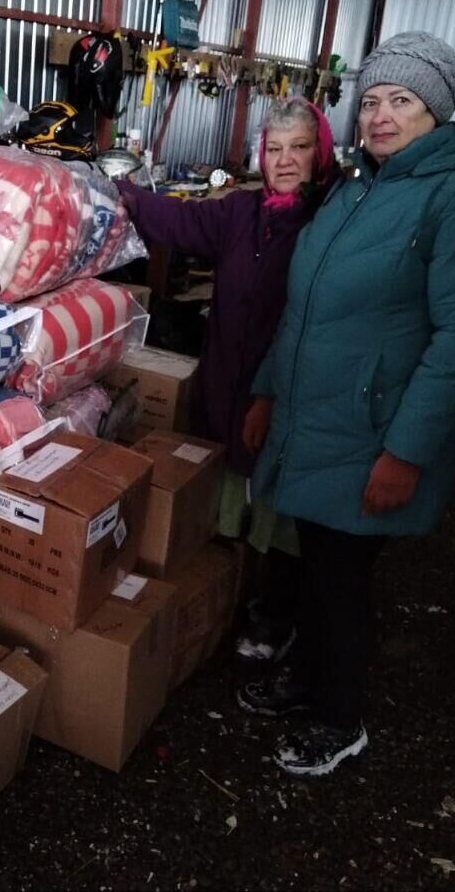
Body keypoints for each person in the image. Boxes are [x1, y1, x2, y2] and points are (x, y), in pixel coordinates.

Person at [239, 31, 455, 776]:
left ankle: (339, 718)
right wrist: (269, 387)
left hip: (372, 432)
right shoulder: (359, 184)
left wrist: (406, 451)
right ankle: (308, 680)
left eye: (401, 100)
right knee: (316, 564)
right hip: (314, 417)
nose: (381, 115)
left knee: (340, 578)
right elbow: (305, 306)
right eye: (370, 101)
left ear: (437, 107)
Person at [117, 96, 338, 662]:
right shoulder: (241, 211)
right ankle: (223, 595)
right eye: (275, 148)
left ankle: (275, 614)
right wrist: (119, 192)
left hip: (286, 389)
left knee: (280, 508)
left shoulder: (329, 219)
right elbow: (181, 220)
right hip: (226, 376)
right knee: (227, 491)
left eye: (300, 148)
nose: (285, 160)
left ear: (321, 152)